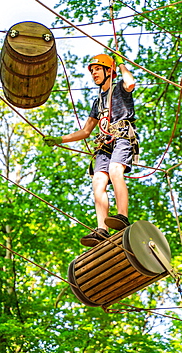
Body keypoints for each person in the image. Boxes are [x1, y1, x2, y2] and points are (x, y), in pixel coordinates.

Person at [44, 52, 137, 247]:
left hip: (121, 136)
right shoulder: (98, 102)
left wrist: (120, 65)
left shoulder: (120, 88)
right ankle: (102, 229)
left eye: (97, 69)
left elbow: (130, 83)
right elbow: (86, 130)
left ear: (108, 70)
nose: (94, 74)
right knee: (98, 181)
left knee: (115, 171)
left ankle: (122, 216)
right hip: (104, 144)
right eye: (92, 70)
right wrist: (60, 139)